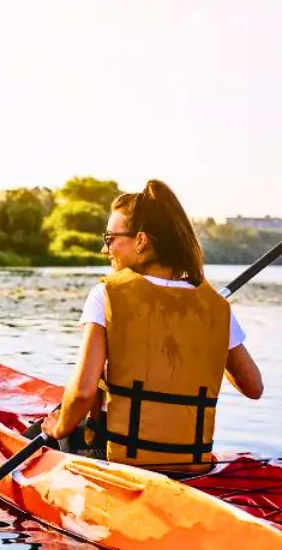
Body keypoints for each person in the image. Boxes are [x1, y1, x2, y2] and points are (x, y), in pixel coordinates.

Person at [35, 180, 264, 475]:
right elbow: (253, 386)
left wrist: (59, 428)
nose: (107, 249)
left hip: (116, 457)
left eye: (110, 238)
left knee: (42, 430)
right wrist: (211, 334)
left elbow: (81, 394)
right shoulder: (214, 306)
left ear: (141, 241)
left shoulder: (107, 294)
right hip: (189, 463)